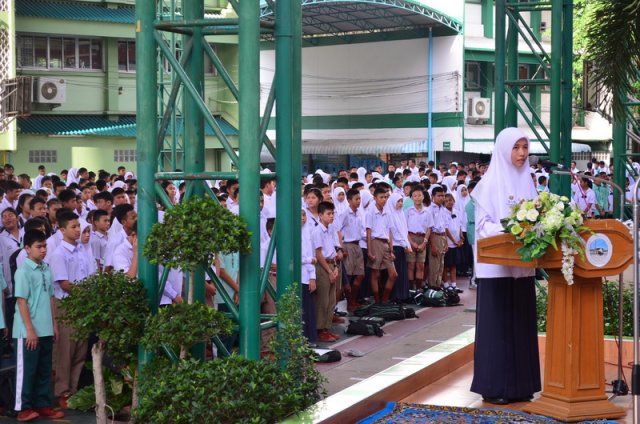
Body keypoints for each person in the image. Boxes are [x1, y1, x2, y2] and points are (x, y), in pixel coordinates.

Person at [470, 127, 541, 405]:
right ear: (503, 149)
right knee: (497, 327)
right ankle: (495, 386)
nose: (522, 153)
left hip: (521, 268)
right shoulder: (488, 185)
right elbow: (484, 229)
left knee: (521, 325)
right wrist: (512, 228)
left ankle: (523, 385)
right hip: (496, 269)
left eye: (525, 147)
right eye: (516, 147)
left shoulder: (529, 183)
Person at [12, 230, 65, 422]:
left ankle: (43, 404)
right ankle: (23, 408)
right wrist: (30, 330)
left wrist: (55, 325)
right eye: (38, 247)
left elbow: (51, 297)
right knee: (27, 370)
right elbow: (21, 301)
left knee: (44, 369)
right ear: (27, 248)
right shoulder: (23, 271)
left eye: (45, 246)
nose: (43, 250)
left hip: (46, 328)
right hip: (27, 330)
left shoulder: (46, 268)